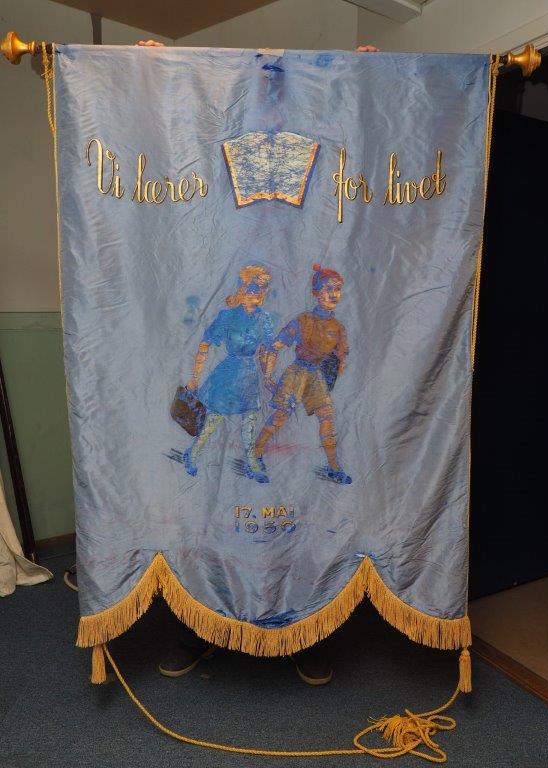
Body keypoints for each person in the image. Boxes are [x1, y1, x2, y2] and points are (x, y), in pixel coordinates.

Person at [137, 37, 379, 685]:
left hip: (261, 383)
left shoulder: (314, 164)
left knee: (288, 504)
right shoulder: (214, 169)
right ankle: (201, 626)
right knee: (206, 504)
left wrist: (366, 75)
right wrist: (151, 74)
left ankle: (302, 627)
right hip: (228, 379)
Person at [253, 263, 351, 485]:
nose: (333, 294)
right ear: (316, 293)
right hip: (297, 374)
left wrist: (335, 370)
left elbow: (341, 358)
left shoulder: (338, 327)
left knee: (326, 417)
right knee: (281, 416)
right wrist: (267, 375)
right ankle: (255, 454)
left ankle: (334, 468)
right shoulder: (303, 321)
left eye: (337, 289)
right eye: (328, 289)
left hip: (315, 377)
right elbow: (276, 346)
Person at [183, 265, 273, 483]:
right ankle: (192, 454)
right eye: (254, 289)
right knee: (213, 421)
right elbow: (205, 344)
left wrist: (268, 376)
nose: (259, 294)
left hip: (249, 376)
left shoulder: (264, 319)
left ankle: (252, 463)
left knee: (250, 422)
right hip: (228, 374)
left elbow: (266, 351)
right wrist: (195, 378)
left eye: (262, 289)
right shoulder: (228, 316)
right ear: (243, 289)